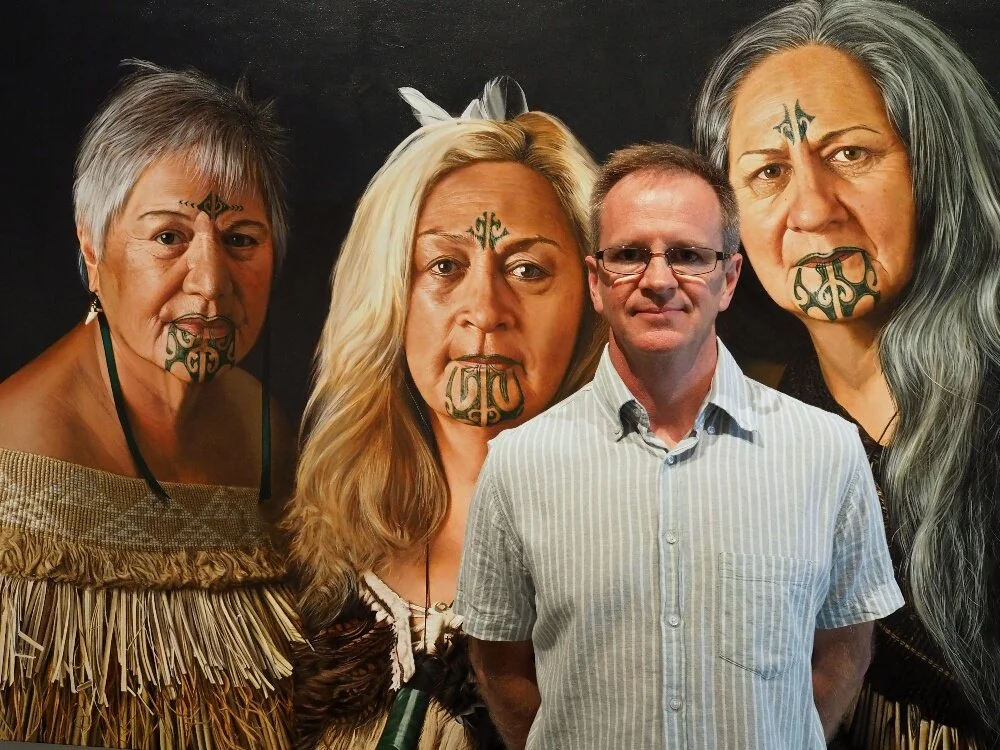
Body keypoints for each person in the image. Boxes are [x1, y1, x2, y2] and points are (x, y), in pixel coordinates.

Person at [455, 143, 904, 749]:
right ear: (596, 281)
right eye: (631, 255)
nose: (659, 280)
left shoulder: (826, 451)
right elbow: (499, 666)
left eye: (689, 255)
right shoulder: (519, 463)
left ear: (729, 279)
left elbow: (845, 645)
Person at [692, 1, 1000, 746]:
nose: (813, 209)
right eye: (768, 172)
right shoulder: (732, 464)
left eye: (851, 155)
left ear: (939, 166)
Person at [286, 81, 605, 749]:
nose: (485, 310)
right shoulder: (313, 572)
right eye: (444, 265)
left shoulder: (647, 555)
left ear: (589, 303)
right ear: (390, 300)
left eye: (527, 270)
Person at [0, 61, 301, 748]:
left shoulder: (263, 431)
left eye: (241, 240)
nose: (212, 281)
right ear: (92, 245)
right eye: (169, 237)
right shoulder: (14, 462)